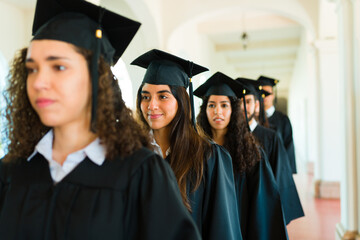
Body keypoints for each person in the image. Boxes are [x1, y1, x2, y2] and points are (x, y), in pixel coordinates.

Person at [0, 0, 202, 239]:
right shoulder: (12, 170)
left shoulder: (141, 172)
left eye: (59, 67)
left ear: (97, 78)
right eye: (32, 69)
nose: (39, 82)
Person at [132, 50, 242, 240]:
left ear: (181, 101)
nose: (151, 105)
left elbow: (222, 229)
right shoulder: (131, 152)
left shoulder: (209, 156)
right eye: (146, 96)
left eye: (163, 96)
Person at [195, 72, 288, 240]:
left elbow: (262, 208)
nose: (217, 111)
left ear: (233, 110)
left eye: (224, 105)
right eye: (211, 105)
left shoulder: (251, 153)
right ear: (204, 110)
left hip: (240, 229)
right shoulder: (195, 151)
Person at [237, 77, 304, 224]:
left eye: (247, 101)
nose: (242, 107)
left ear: (256, 105)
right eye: (238, 102)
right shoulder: (231, 136)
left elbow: (279, 174)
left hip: (263, 205)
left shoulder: (271, 137)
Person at [258, 75, 297, 174]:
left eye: (268, 93)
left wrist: (288, 172)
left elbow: (288, 145)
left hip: (279, 170)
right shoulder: (253, 120)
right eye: (262, 93)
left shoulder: (283, 119)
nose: (265, 97)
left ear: (274, 95)